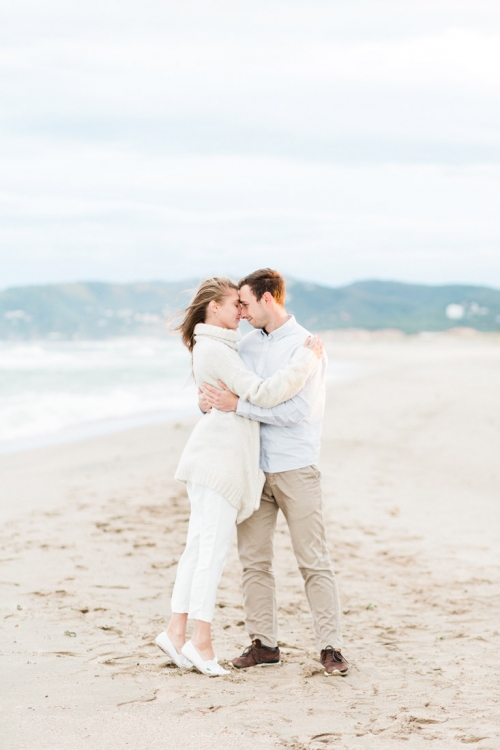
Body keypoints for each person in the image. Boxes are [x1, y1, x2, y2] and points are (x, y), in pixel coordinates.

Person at [155, 276, 324, 677]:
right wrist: (305, 361)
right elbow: (263, 393)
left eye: (246, 305)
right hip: (217, 464)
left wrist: (221, 402)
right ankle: (201, 642)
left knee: (198, 549)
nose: (242, 314)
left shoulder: (220, 346)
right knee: (209, 553)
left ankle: (176, 632)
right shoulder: (221, 349)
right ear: (215, 308)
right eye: (236, 306)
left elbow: (229, 397)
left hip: (212, 460)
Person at [200, 268, 348, 676]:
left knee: (313, 560)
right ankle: (264, 644)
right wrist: (209, 399)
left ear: (268, 299)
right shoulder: (243, 346)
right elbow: (220, 390)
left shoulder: (307, 347)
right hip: (251, 468)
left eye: (245, 303)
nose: (241, 311)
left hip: (296, 466)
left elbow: (298, 412)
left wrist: (239, 406)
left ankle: (331, 647)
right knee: (254, 562)